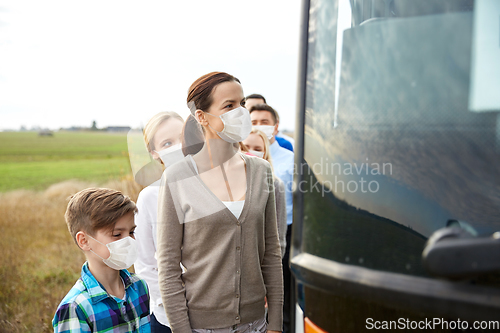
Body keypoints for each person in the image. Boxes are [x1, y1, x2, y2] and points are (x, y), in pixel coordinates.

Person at [156, 72, 283, 333]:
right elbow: (168, 267)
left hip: (257, 323)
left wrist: (276, 324)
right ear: (202, 116)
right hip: (202, 327)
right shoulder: (177, 177)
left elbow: (271, 253)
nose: (241, 112)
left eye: (242, 103)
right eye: (229, 106)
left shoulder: (262, 171)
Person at [52, 188, 151, 332]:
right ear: (84, 241)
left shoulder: (140, 286)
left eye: (131, 232)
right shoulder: (75, 307)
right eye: (117, 234)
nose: (129, 241)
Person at [134, 111, 185, 333]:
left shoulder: (217, 188)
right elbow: (144, 263)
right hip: (169, 318)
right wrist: (173, 304)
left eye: (184, 137)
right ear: (155, 153)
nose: (179, 146)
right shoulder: (150, 197)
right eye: (168, 143)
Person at [249, 103, 294, 333]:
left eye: (264, 122)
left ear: (275, 127)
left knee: (280, 290)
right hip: (252, 234)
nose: (259, 126)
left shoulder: (291, 158)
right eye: (253, 121)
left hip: (283, 230)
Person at [243, 128, 287, 258]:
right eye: (246, 147)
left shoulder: (275, 185)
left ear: (265, 153)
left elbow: (278, 236)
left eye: (257, 149)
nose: (250, 152)